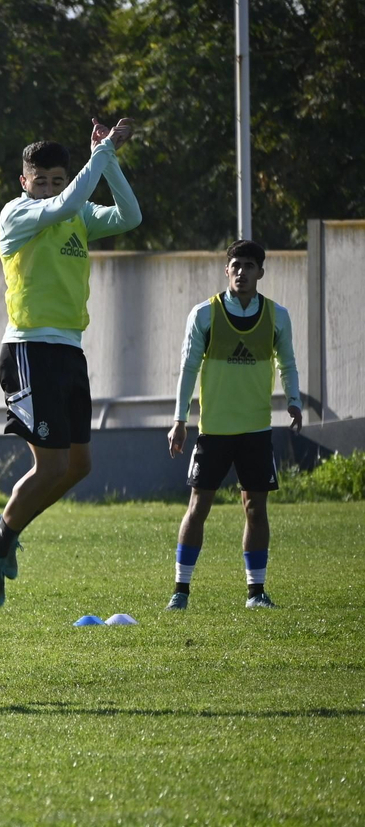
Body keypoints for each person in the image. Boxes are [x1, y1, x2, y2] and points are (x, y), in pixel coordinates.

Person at [0, 118, 143, 606]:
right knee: (49, 467)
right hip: (30, 349)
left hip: (69, 349)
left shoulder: (75, 213)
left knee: (78, 465)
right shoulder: (17, 214)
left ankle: (5, 529)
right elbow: (67, 201)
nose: (48, 186)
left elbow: (130, 215)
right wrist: (105, 150)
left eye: (56, 178)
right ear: (24, 181)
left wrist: (107, 160)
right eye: (39, 179)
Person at [165, 240, 300, 610]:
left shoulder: (277, 316)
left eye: (249, 266)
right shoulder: (204, 315)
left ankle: (256, 593)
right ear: (227, 271)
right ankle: (181, 591)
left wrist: (294, 400)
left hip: (256, 430)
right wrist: (180, 420)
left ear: (261, 272)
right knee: (198, 506)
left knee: (256, 508)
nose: (242, 272)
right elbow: (188, 369)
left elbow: (287, 363)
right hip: (214, 431)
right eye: (236, 265)